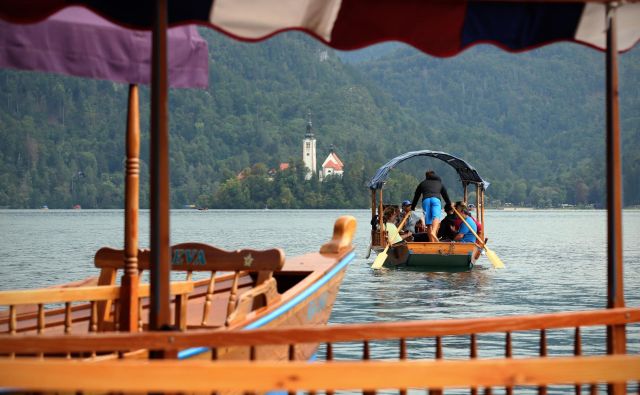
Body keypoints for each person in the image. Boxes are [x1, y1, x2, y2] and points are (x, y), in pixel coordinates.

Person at [411, 170, 451, 242]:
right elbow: (445, 195)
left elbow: (416, 196)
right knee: (436, 217)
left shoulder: (422, 183)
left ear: (426, 176)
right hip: (436, 200)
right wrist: (449, 204)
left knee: (429, 223)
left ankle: (431, 242)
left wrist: (413, 207)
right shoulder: (439, 183)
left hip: (426, 200)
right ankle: (434, 231)